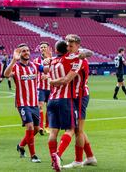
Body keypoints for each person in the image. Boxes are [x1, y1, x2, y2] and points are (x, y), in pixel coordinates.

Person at [4, 43, 49, 163]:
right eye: (23, 51)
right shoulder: (16, 67)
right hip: (22, 103)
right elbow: (6, 74)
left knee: (35, 129)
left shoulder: (34, 65)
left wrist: (49, 60)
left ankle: (21, 145)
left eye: (28, 50)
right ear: (19, 53)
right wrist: (14, 60)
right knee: (29, 127)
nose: (26, 52)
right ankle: (33, 155)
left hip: (34, 102)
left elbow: (46, 69)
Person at [47, 40, 82, 171]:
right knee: (71, 129)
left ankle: (52, 159)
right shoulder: (70, 59)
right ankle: (58, 155)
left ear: (56, 50)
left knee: (53, 131)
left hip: (51, 100)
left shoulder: (51, 61)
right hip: (65, 99)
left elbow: (43, 67)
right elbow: (67, 79)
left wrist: (50, 81)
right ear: (67, 49)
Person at [63, 34, 97, 168]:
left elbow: (89, 52)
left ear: (78, 46)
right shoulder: (71, 57)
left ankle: (78, 161)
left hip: (81, 96)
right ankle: (90, 157)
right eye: (67, 45)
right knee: (79, 130)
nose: (68, 48)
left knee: (78, 130)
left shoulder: (80, 59)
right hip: (75, 96)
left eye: (71, 46)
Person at [33, 42, 51, 135]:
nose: (43, 48)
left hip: (51, 87)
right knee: (40, 106)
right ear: (39, 49)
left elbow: (55, 71)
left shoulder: (52, 60)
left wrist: (47, 76)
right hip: (40, 87)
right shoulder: (36, 60)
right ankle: (40, 126)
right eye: (42, 47)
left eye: (45, 47)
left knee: (49, 107)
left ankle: (47, 126)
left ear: (48, 49)